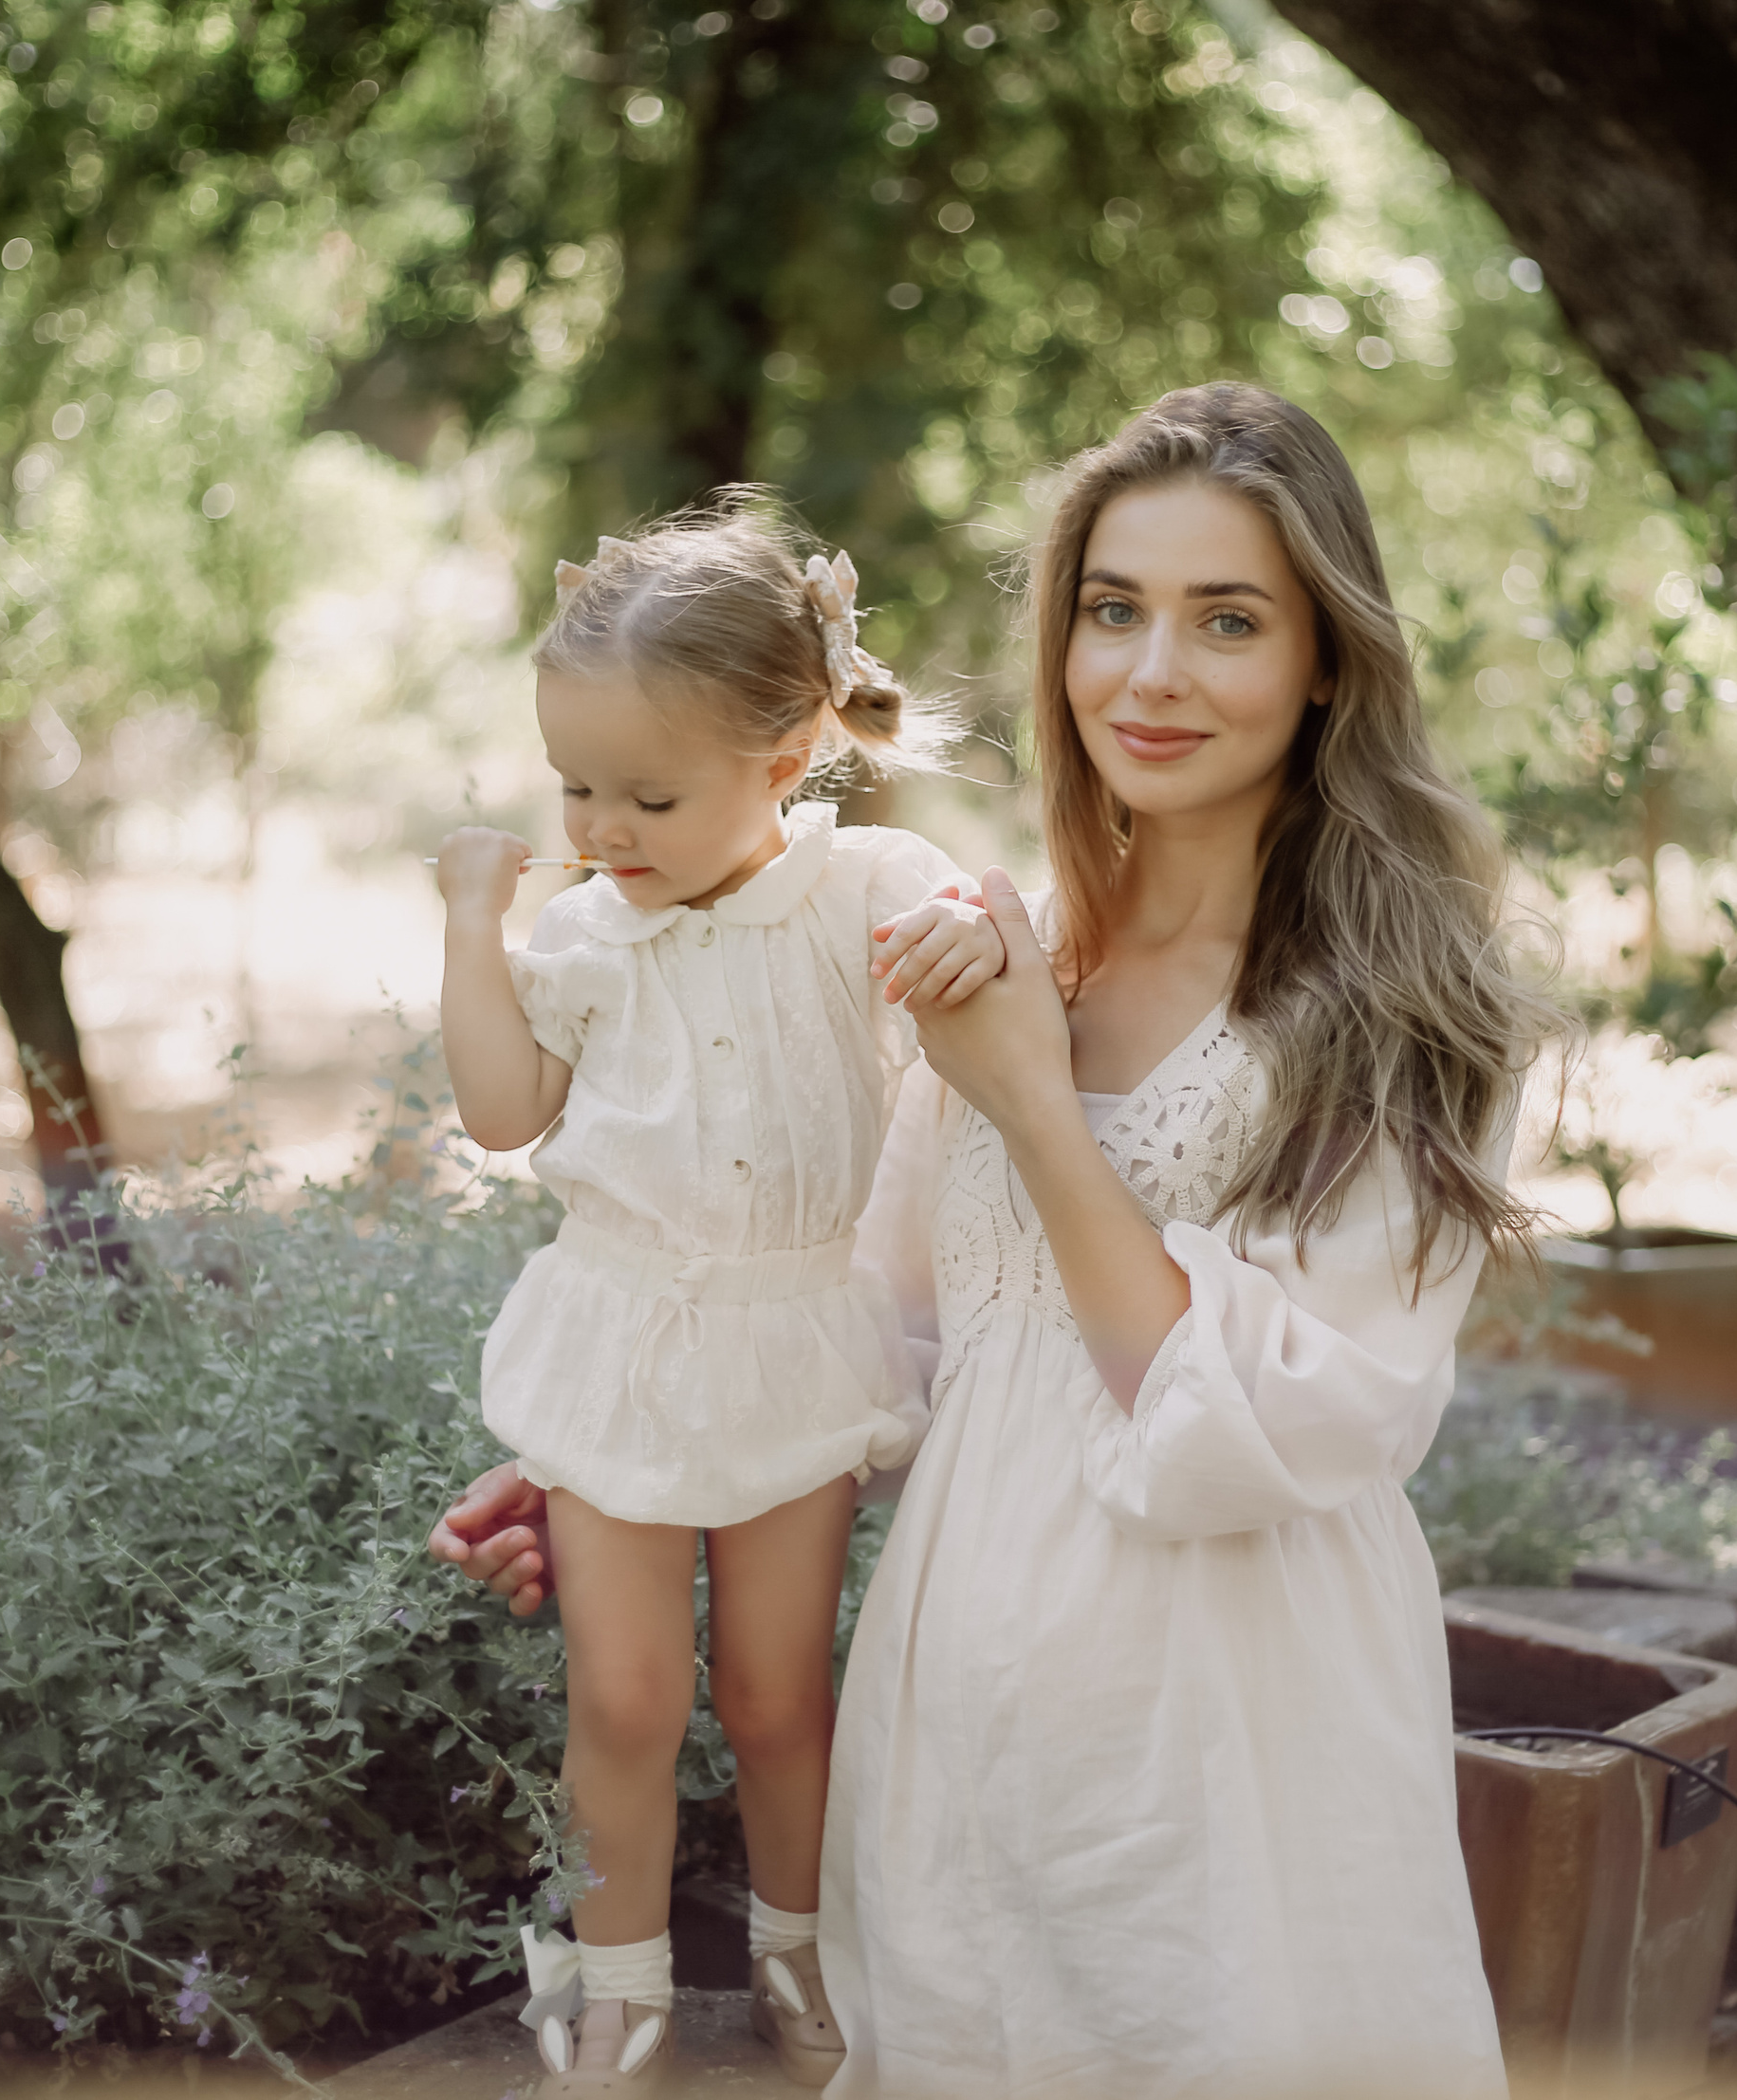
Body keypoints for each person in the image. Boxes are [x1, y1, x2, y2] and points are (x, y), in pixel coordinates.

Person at [439, 384, 1554, 2097]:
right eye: (1114, 610)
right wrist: (649, 1464)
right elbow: (896, 1332)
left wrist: (1035, 1104)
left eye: (1227, 620)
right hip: (952, 1732)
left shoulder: (1403, 1013)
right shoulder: (1009, 945)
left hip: (1224, 1750)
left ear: (1329, 656)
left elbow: (1269, 1434)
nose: (1150, 672)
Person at [432, 502, 1005, 2095]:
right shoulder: (584, 931)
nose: (604, 824)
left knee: (773, 1691)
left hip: (792, 1337)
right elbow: (500, 1108)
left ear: (791, 747)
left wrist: (974, 930)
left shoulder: (862, 884)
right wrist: (474, 926)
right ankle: (614, 1978)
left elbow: (984, 923)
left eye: (648, 792)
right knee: (625, 1690)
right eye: (575, 787)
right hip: (623, 1337)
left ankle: (795, 1942)